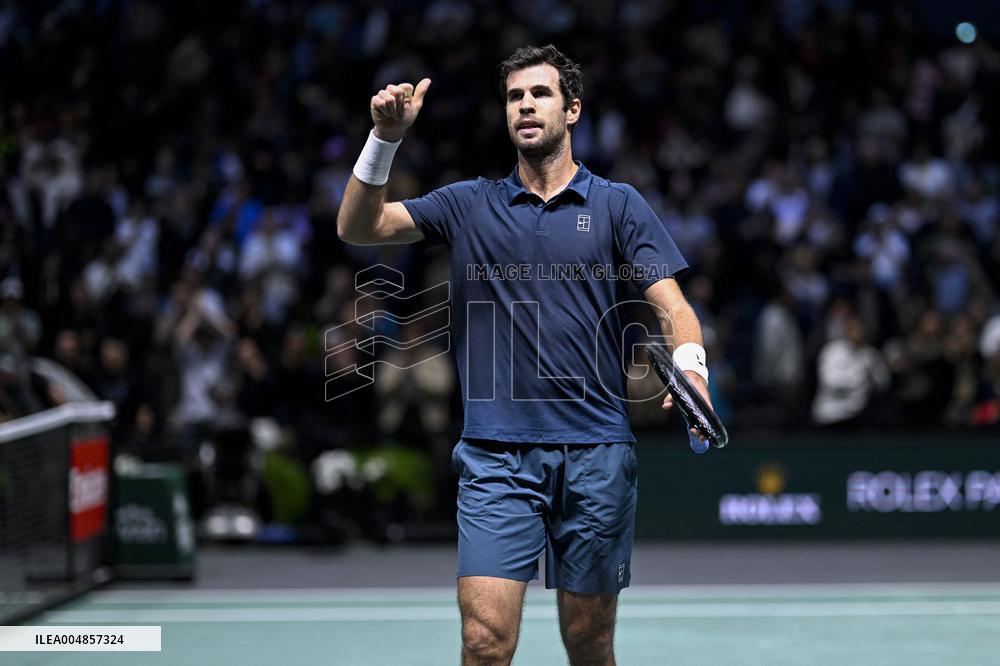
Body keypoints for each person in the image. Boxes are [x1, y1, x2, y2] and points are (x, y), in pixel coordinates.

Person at [338, 45, 713, 666]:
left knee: (589, 642)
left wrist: (693, 371)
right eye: (514, 97)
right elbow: (358, 227)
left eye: (539, 94)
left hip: (596, 454)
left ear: (572, 109)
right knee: (484, 642)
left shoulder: (618, 204)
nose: (525, 106)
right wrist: (384, 138)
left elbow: (674, 308)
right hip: (495, 457)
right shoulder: (468, 204)